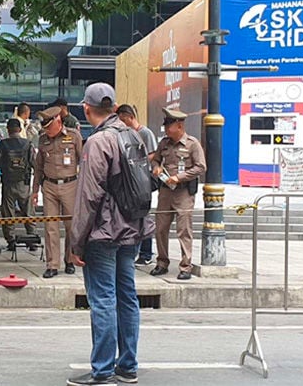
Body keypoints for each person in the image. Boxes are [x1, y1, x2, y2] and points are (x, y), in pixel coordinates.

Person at [67, 83, 142, 386]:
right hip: (131, 228)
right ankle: (128, 366)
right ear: (113, 107)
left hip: (103, 232)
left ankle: (102, 371)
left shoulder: (97, 142)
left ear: (86, 108)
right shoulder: (132, 135)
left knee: (103, 300)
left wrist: (76, 241)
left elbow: (89, 196)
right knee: (127, 297)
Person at [149, 108, 206, 280]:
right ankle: (162, 262)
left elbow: (201, 167)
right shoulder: (164, 143)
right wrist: (156, 168)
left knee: (184, 230)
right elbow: (156, 159)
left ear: (179, 125)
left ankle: (186, 266)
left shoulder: (192, 144)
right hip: (165, 192)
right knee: (160, 229)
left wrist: (179, 177)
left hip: (184, 193)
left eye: (169, 125)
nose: (165, 128)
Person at [32, 106, 83, 278]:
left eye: (48, 126)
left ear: (58, 121)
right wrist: (35, 190)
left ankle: (69, 260)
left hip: (70, 185)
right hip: (50, 187)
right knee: (50, 227)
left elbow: (84, 163)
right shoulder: (42, 139)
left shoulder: (74, 137)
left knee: (71, 226)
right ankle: (52, 264)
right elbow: (38, 167)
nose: (46, 130)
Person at [116, 104, 157, 266]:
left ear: (129, 117)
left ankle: (146, 253)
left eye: (123, 120)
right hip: (130, 181)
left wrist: (136, 163)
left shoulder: (144, 133)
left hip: (142, 181)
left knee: (144, 216)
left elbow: (152, 154)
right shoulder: (125, 135)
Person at [0, 118, 36, 251]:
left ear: (8, 129)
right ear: (20, 129)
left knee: (8, 213)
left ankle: (11, 241)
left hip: (8, 183)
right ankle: (32, 239)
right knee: (28, 211)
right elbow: (34, 163)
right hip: (24, 183)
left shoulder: (3, 144)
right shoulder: (28, 144)